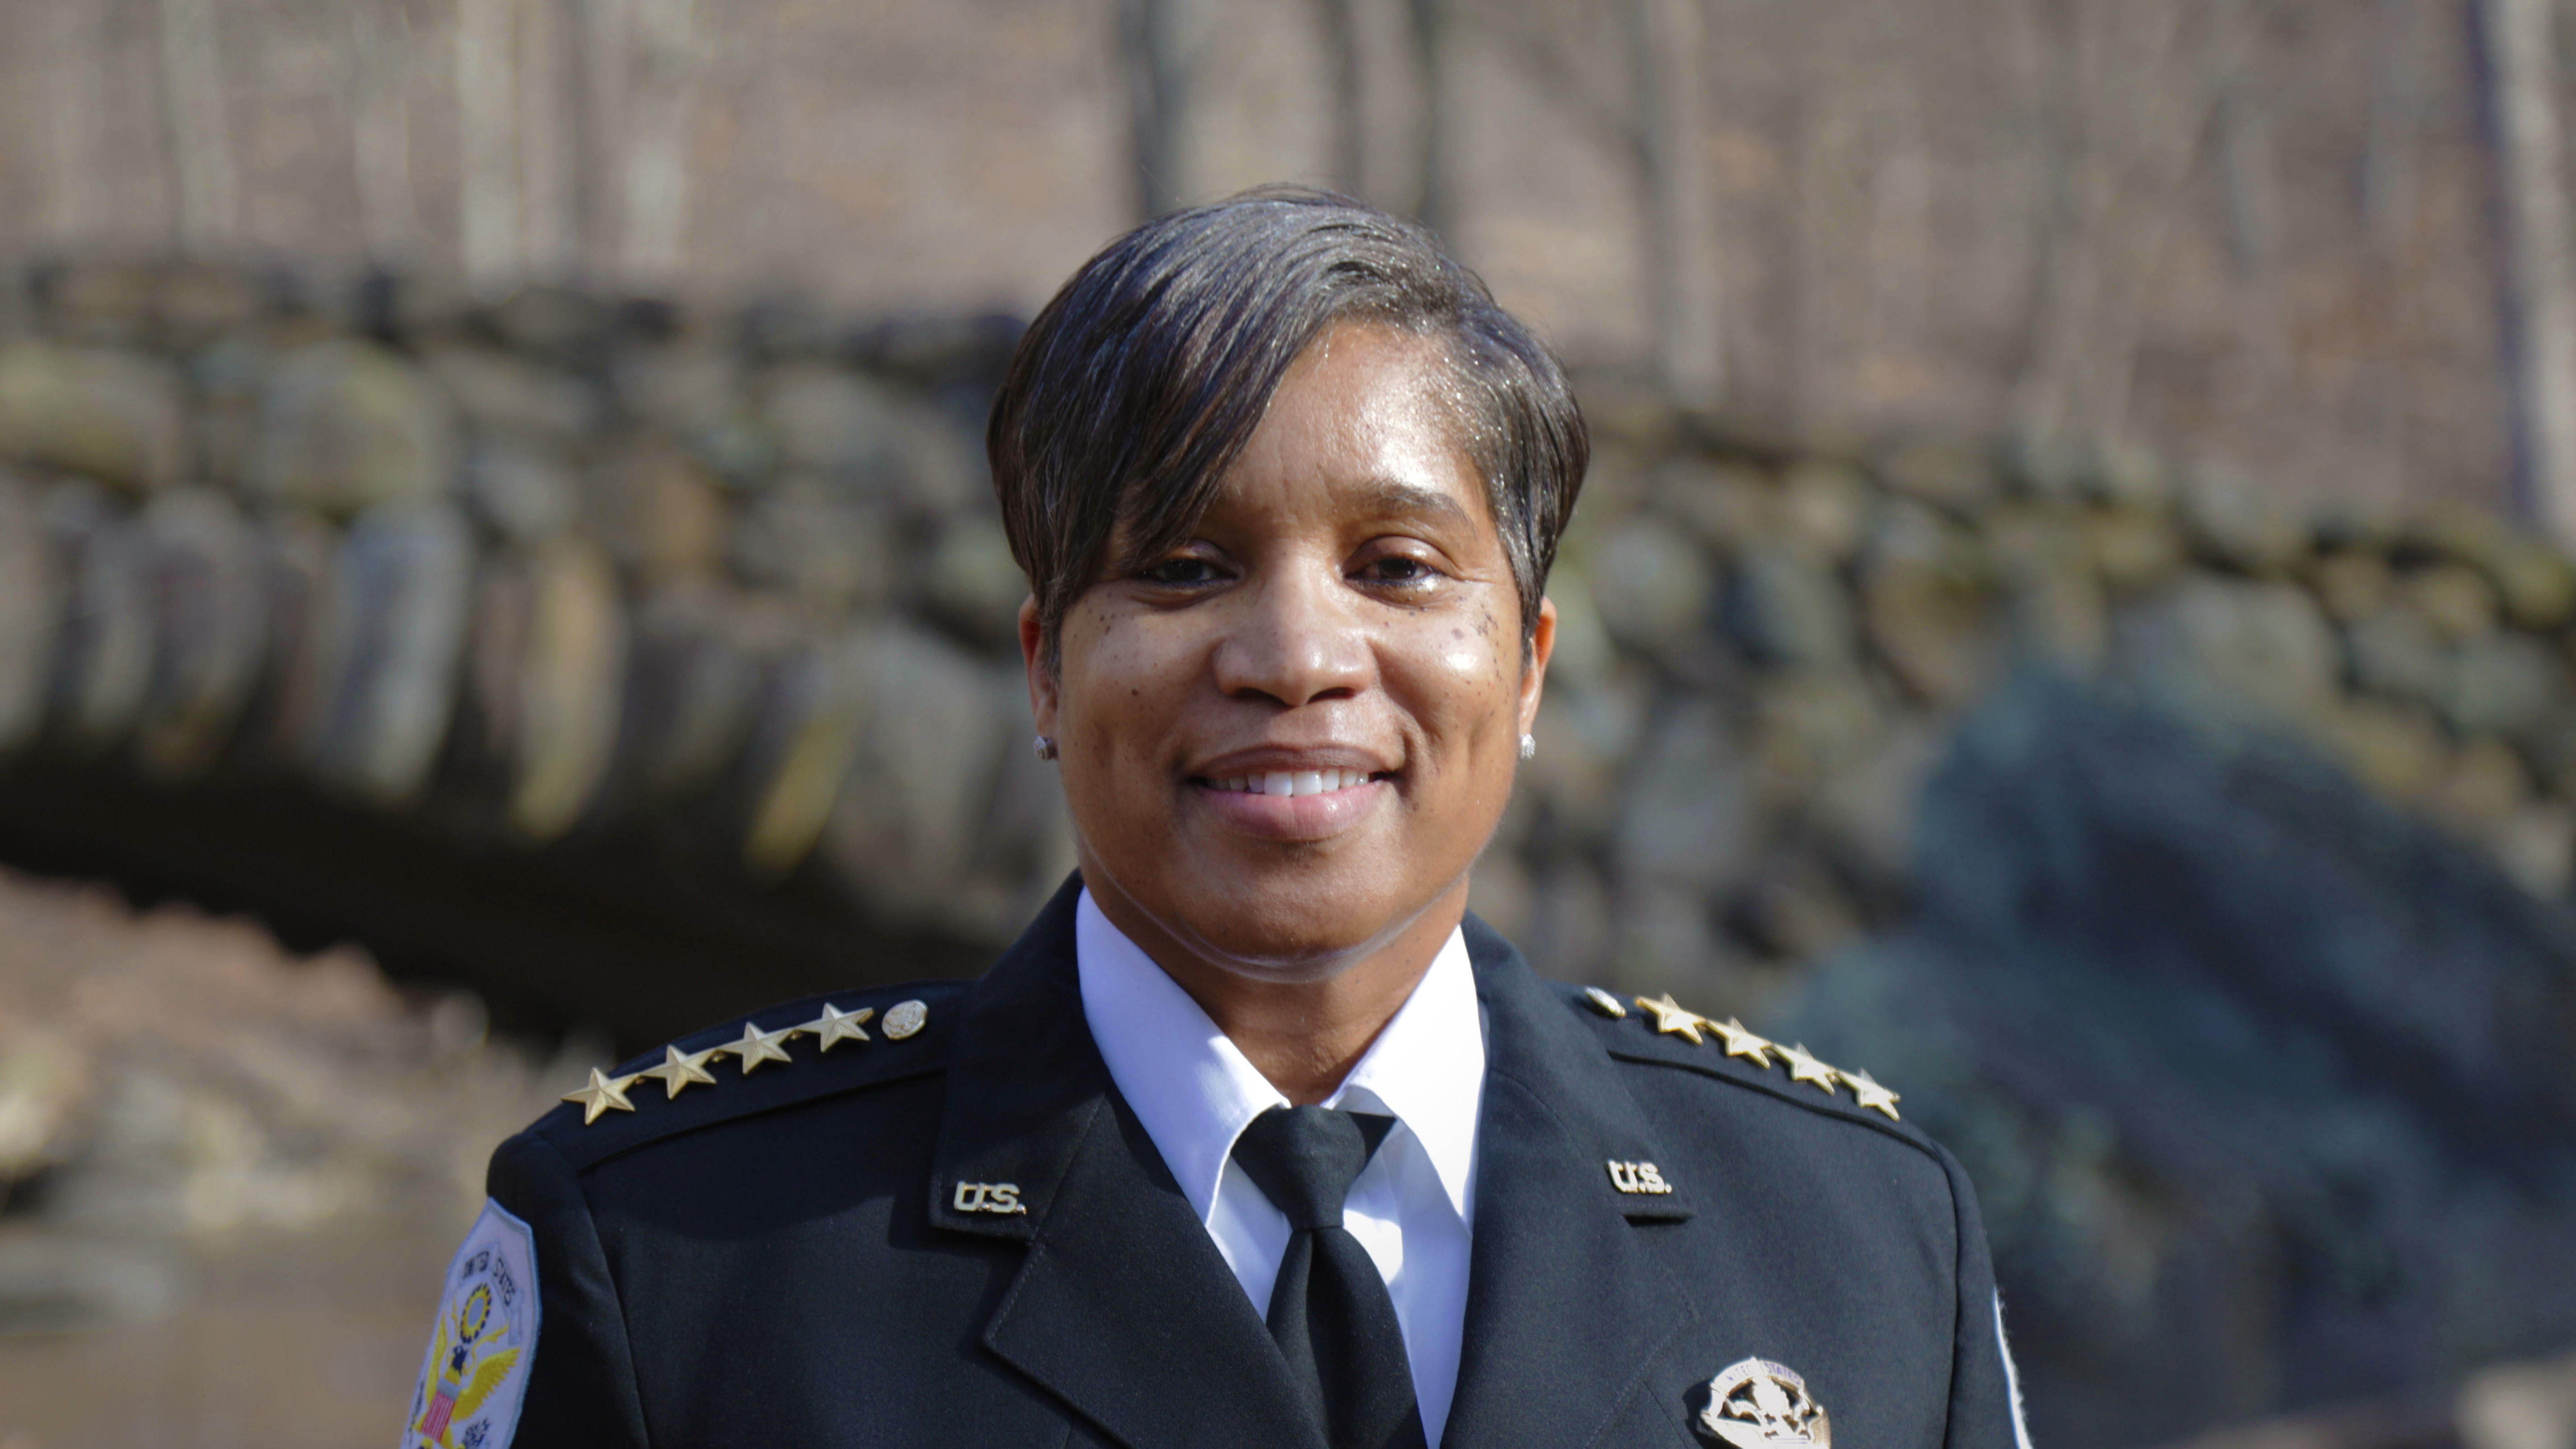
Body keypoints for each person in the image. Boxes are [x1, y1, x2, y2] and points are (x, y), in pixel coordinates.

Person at [400, 188, 2033, 1449]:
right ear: (1046, 670)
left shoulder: (1860, 1237)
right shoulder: (668, 1258)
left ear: (1526, 668)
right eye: (1180, 569)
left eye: (1397, 568)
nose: (1296, 659)